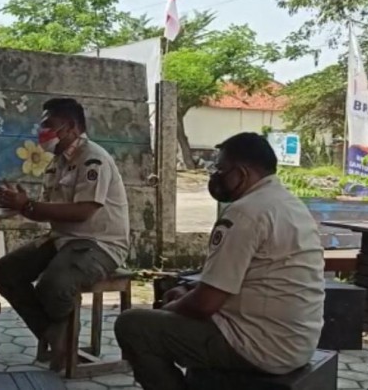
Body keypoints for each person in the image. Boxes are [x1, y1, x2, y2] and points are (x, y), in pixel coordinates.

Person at [114, 132, 325, 390]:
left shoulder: (244, 212)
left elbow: (205, 304)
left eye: (220, 169)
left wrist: (168, 310)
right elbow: (247, 276)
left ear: (243, 173)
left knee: (133, 326)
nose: (215, 176)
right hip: (296, 342)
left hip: (259, 346)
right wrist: (190, 291)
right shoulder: (290, 205)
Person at [0, 98, 131, 371]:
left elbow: (83, 211)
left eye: (48, 125)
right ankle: (56, 336)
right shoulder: (56, 163)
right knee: (4, 272)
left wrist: (27, 205)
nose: (42, 131)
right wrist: (18, 202)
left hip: (99, 244)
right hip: (62, 240)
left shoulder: (93, 159)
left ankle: (63, 342)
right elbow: (48, 212)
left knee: (55, 285)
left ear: (70, 127)